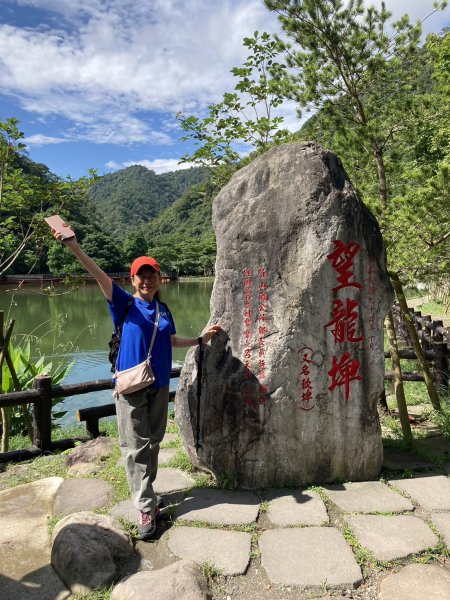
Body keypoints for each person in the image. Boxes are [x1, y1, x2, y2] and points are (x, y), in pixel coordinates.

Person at [52, 226, 221, 540]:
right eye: (141, 276)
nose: (147, 280)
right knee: (135, 447)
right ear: (133, 280)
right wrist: (75, 248)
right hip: (131, 387)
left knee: (154, 440)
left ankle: (148, 494)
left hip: (157, 386)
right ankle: (145, 506)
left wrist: (200, 339)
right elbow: (100, 275)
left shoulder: (163, 308)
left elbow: (169, 340)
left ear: (159, 279)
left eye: (152, 275)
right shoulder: (124, 304)